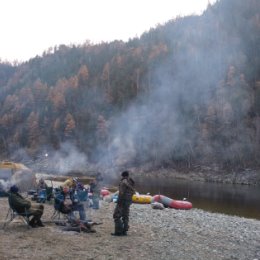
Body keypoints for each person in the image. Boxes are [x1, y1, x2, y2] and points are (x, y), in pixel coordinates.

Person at [111, 171, 135, 236]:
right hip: (129, 201)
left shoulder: (123, 182)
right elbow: (132, 191)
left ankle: (118, 232)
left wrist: (118, 201)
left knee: (116, 215)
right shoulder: (131, 181)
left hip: (122, 201)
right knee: (125, 215)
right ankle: (125, 231)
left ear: (123, 176)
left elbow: (121, 193)